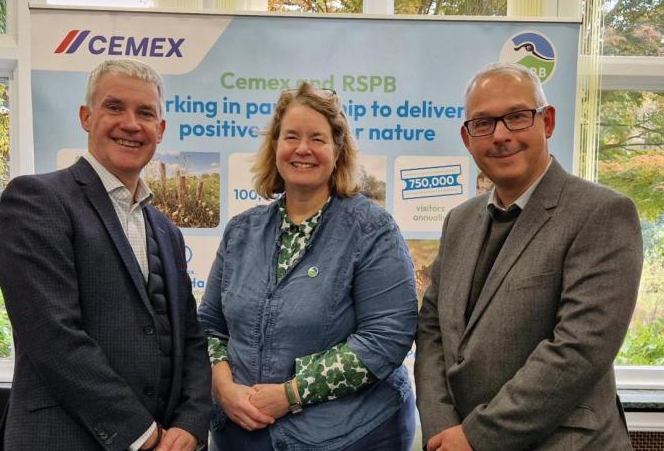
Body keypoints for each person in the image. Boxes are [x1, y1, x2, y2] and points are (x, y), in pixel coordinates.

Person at [415, 62, 643, 451]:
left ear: (547, 122)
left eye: (517, 117)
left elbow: (578, 349)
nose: (500, 135)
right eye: (483, 123)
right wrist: (442, 430)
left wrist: (476, 437)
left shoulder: (602, 213)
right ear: (468, 138)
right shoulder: (460, 221)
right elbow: (433, 329)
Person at [0, 59, 212, 451]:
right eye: (114, 107)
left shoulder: (167, 231)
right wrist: (142, 434)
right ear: (86, 117)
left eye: (145, 113)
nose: (130, 123)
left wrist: (191, 422)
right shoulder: (38, 201)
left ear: (160, 130)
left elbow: (190, 338)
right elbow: (52, 334)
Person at [198, 83, 418, 450]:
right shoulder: (241, 231)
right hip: (240, 434)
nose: (303, 149)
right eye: (291, 137)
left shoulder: (372, 230)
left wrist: (292, 393)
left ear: (337, 150)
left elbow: (387, 337)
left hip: (350, 436)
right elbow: (210, 326)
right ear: (275, 147)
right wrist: (222, 388)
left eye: (317, 138)